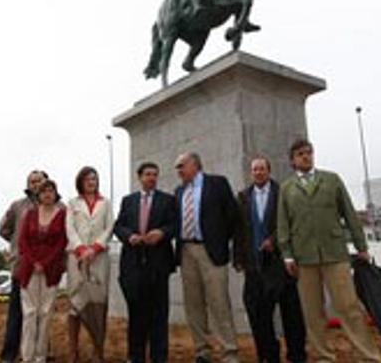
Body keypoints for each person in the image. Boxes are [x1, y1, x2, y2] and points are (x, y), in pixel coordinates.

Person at [277, 139, 381, 363]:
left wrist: (361, 246)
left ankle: (367, 356)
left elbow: (349, 214)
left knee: (349, 307)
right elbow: (283, 224)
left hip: (335, 253)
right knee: (313, 312)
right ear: (292, 161)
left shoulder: (332, 180)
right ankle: (324, 356)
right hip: (303, 257)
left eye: (308, 152)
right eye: (300, 154)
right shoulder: (286, 188)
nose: (306, 157)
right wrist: (287, 254)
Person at [233, 157, 307, 363]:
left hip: (281, 264)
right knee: (259, 316)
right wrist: (239, 258)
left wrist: (274, 240)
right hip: (255, 267)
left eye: (262, 169)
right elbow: (239, 230)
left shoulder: (283, 193)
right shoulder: (243, 197)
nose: (258, 172)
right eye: (255, 169)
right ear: (251, 172)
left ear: (269, 170)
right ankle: (267, 355)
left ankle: (297, 354)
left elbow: (293, 222)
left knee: (291, 314)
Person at [173, 151, 240, 363]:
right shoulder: (179, 191)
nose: (178, 171)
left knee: (219, 302)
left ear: (194, 164)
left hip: (211, 252)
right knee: (194, 305)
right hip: (186, 253)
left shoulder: (218, 184)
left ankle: (229, 351)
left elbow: (233, 216)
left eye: (181, 166)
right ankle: (202, 351)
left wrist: (219, 241)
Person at [114, 162, 177, 363]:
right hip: (133, 266)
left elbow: (175, 225)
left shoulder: (167, 200)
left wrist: (162, 233)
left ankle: (159, 357)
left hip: (158, 265)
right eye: (148, 174)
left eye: (155, 175)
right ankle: (135, 356)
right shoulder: (128, 201)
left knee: (159, 314)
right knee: (136, 314)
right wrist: (129, 236)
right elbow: (119, 226)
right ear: (139, 177)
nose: (151, 178)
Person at [0, 169, 48, 363]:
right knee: (18, 312)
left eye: (39, 181)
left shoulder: (58, 206)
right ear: (28, 185)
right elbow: (3, 229)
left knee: (43, 312)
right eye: (32, 181)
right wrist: (17, 243)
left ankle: (41, 351)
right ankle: (9, 354)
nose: (35, 184)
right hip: (22, 267)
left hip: (45, 268)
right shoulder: (18, 206)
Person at [66, 166, 114, 363]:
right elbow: (69, 228)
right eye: (87, 179)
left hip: (99, 258)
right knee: (75, 304)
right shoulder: (72, 203)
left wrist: (94, 248)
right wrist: (80, 249)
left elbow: (110, 227)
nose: (91, 182)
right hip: (76, 259)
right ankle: (73, 351)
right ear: (81, 182)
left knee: (98, 305)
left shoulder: (106, 203)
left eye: (94, 178)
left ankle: (98, 350)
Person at [16, 179, 67, 363]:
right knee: (29, 314)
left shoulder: (62, 214)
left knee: (45, 314)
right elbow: (22, 242)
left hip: (51, 271)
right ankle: (27, 356)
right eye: (44, 191)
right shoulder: (29, 214)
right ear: (38, 195)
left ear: (55, 194)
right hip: (29, 270)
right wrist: (33, 262)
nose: (47, 194)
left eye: (51, 190)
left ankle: (41, 357)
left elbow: (61, 243)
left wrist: (44, 263)